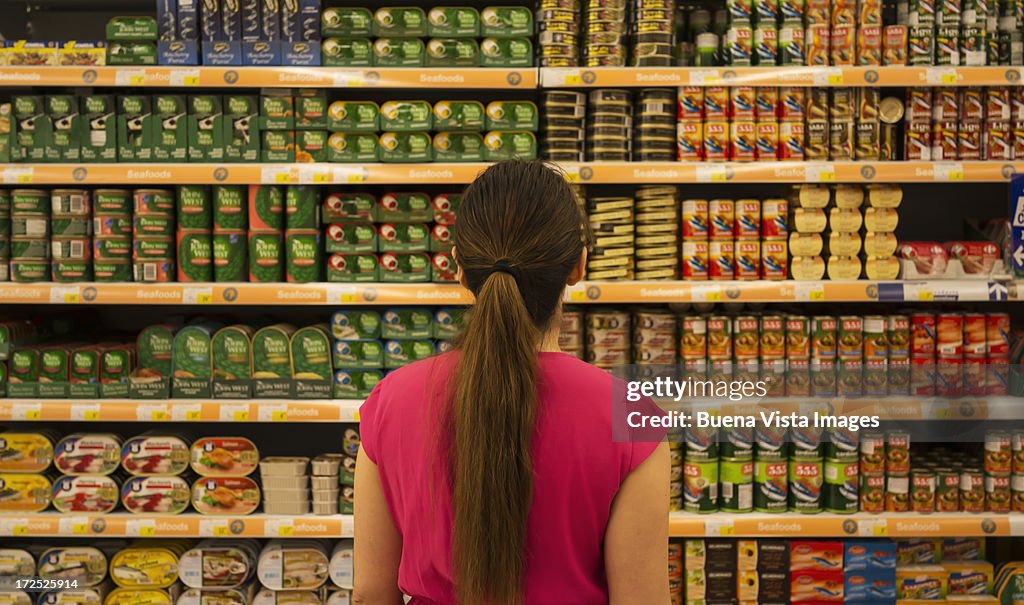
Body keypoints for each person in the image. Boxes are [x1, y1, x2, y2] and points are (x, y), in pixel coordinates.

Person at [354, 160, 670, 605]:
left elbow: (370, 594)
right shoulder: (631, 415)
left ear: (458, 268)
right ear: (578, 266)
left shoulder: (391, 401)